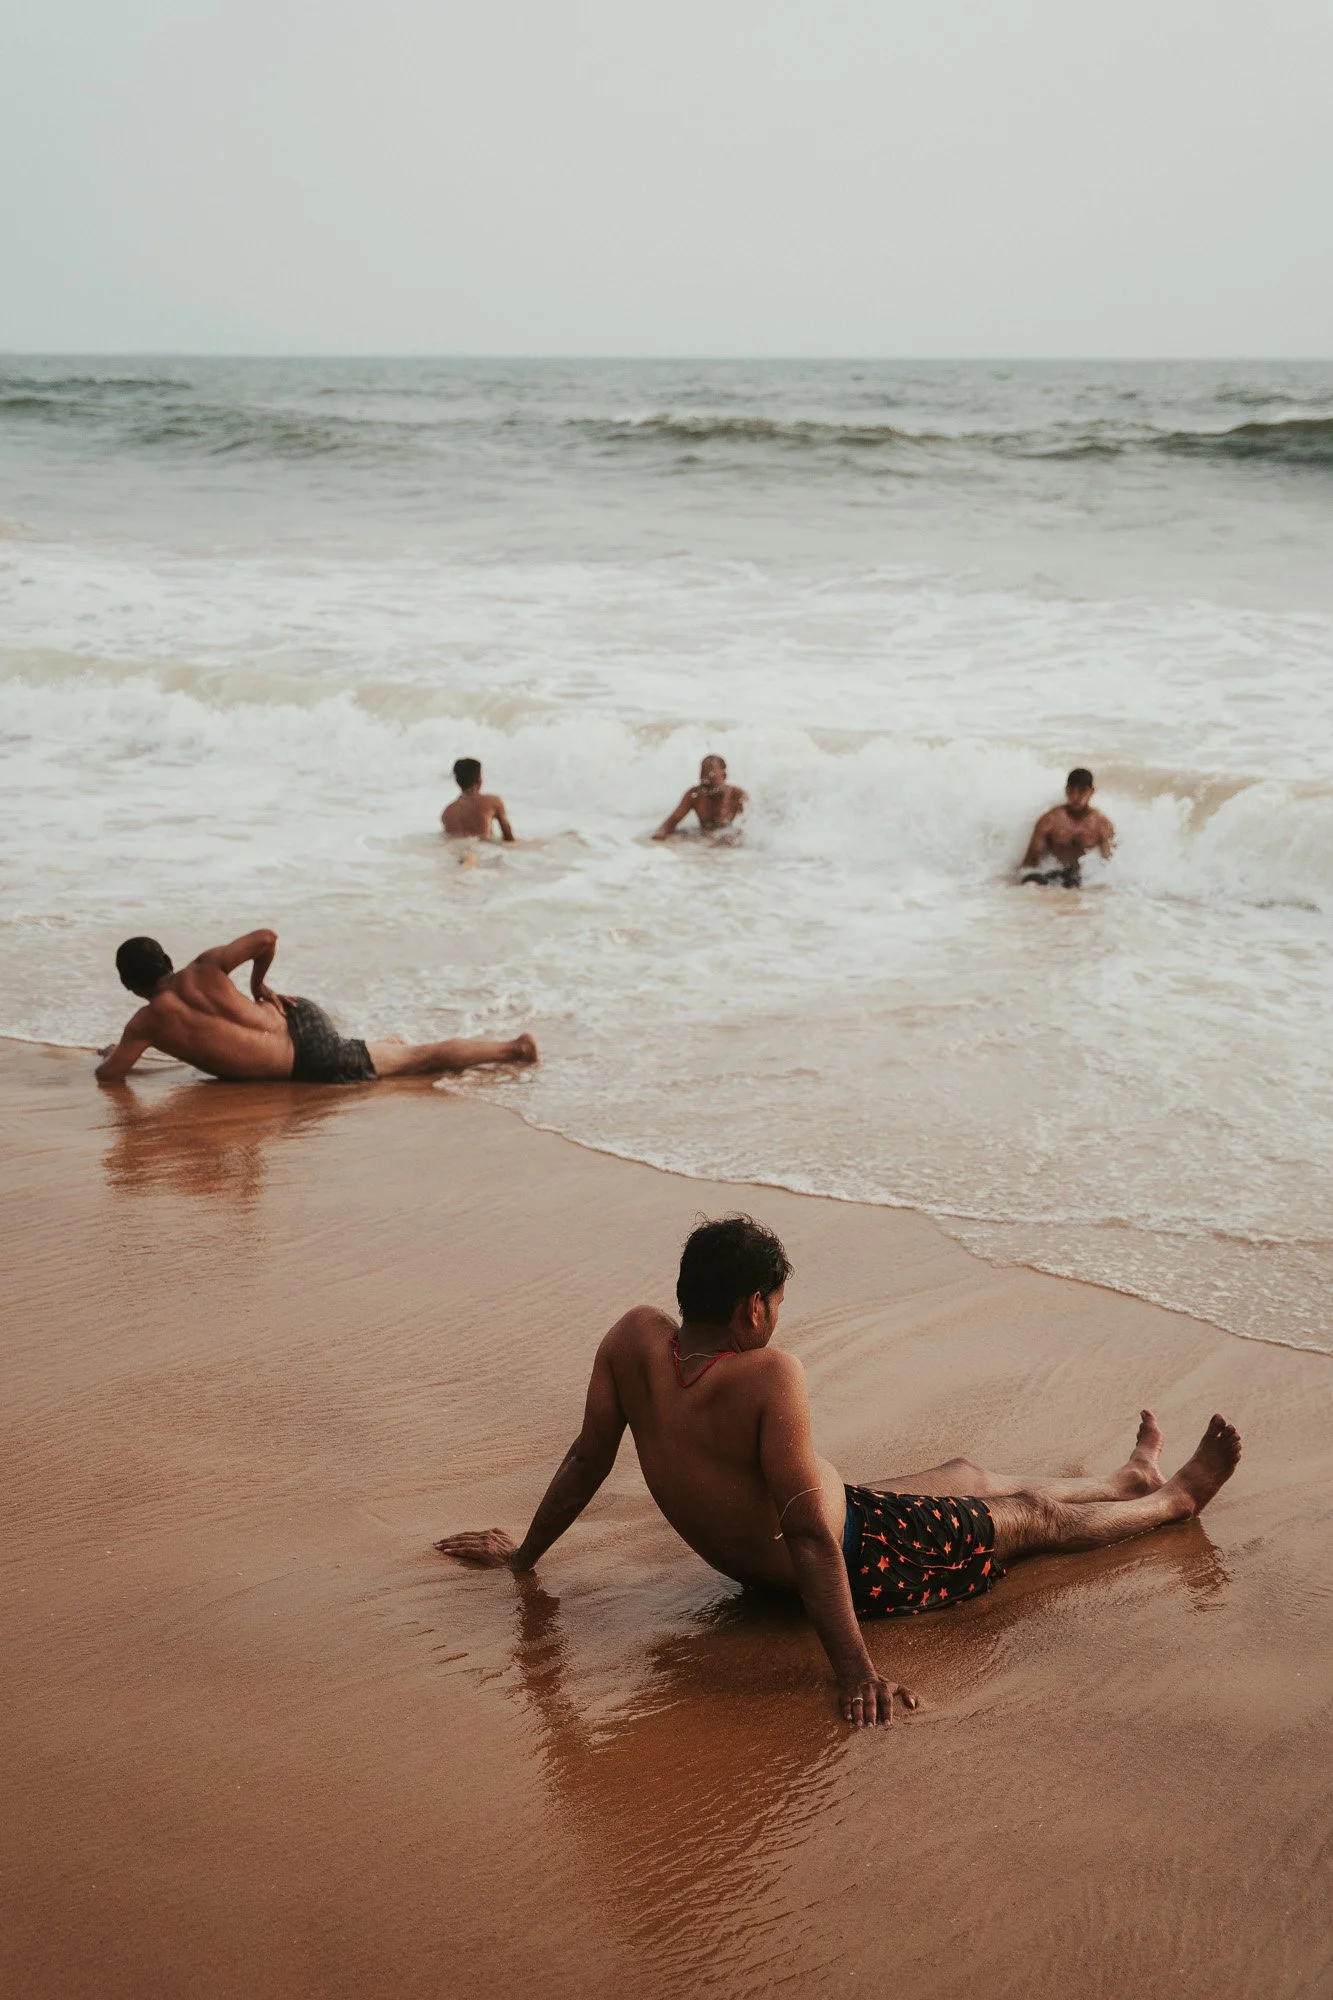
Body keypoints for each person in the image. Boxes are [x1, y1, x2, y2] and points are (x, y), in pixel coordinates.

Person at [437, 1214, 1241, 1729]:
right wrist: (858, 1673)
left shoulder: (633, 1338)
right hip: (862, 1558)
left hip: (836, 1521)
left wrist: (524, 1556)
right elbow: (812, 1537)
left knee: (964, 1472)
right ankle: (1172, 1500)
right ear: (754, 1307)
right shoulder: (766, 1374)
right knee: (1028, 1515)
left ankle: (1120, 1481)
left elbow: (586, 1457)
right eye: (776, 1303)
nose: (778, 1318)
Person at [94, 930, 538, 1085]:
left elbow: (111, 1076)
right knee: (380, 1052)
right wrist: (259, 983)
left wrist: (115, 1054)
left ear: (127, 983)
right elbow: (267, 936)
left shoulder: (145, 1024)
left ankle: (512, 1049)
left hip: (311, 1057)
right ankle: (376, 1047)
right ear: (167, 961)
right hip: (296, 1015)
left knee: (417, 1061)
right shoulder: (205, 967)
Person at [1019, 768, 1116, 887]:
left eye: (1081, 791)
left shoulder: (1101, 824)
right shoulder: (1050, 820)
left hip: (1083, 880)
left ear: (1091, 791)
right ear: (1066, 791)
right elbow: (1030, 862)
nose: (1075, 796)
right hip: (1052, 873)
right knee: (1029, 883)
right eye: (1071, 791)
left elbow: (1110, 864)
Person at [653, 755, 747, 840]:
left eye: (711, 777)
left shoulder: (737, 795)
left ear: (724, 776)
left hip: (728, 845)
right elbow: (671, 822)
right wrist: (659, 836)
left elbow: (749, 828)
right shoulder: (695, 795)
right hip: (702, 841)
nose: (706, 781)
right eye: (703, 775)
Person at [442, 759, 515, 842]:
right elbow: (508, 837)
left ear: (457, 781)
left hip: (457, 852)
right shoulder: (493, 801)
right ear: (479, 779)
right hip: (485, 850)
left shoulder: (447, 812)